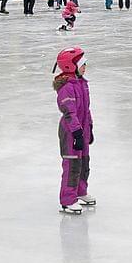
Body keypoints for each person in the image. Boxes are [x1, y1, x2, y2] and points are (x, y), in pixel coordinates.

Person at [53, 47, 95, 214]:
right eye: (82, 64)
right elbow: (69, 112)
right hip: (71, 132)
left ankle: (80, 191)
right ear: (71, 66)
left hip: (82, 129)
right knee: (72, 164)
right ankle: (68, 200)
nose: (85, 67)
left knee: (84, 162)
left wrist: (89, 127)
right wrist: (77, 133)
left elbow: (86, 109)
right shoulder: (67, 87)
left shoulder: (82, 83)